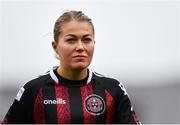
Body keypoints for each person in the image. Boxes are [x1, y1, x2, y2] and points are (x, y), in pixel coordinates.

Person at [2, 10, 140, 124]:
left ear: (94, 43)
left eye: (86, 39)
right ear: (55, 47)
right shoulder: (33, 91)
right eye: (71, 40)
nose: (80, 47)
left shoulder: (113, 90)